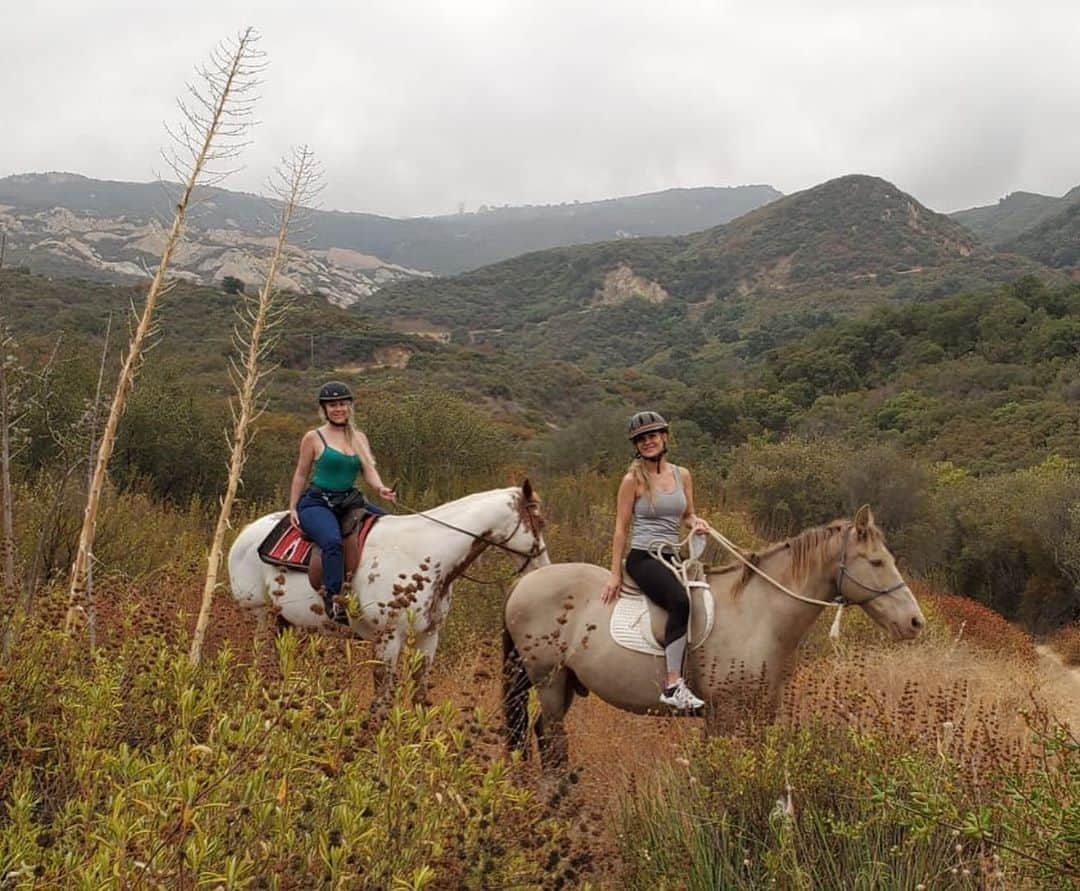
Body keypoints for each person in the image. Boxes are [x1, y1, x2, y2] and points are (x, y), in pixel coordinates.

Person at [601, 410, 709, 710]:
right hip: (643, 557)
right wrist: (614, 573)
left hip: (672, 555)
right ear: (636, 446)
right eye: (641, 440)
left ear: (664, 437)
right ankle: (673, 686)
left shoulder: (682, 474)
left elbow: (686, 515)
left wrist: (697, 524)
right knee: (680, 602)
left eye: (652, 436)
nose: (647, 442)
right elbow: (621, 528)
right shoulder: (631, 480)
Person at [288, 381, 396, 624]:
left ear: (349, 406)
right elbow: (301, 473)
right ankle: (334, 601)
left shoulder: (359, 437)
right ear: (324, 409)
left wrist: (380, 488)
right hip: (317, 502)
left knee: (390, 525)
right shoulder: (313, 437)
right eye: (333, 405)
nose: (338, 409)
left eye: (342, 404)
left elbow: (368, 469)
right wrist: (293, 506)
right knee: (332, 542)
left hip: (349, 500)